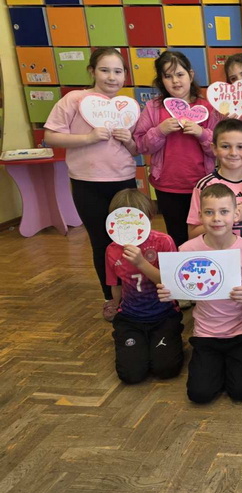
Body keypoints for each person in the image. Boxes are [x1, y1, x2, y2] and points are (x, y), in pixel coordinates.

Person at [44, 48, 139, 320]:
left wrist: (128, 140)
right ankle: (110, 298)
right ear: (92, 71)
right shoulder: (75, 100)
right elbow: (51, 136)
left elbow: (135, 150)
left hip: (123, 181)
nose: (111, 77)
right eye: (104, 70)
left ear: (125, 75)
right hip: (87, 183)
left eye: (117, 71)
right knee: (101, 243)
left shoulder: (128, 106)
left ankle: (134, 295)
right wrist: (88, 138)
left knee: (130, 242)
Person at [158, 184, 242, 403]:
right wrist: (170, 293)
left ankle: (231, 366)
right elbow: (182, 290)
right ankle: (217, 366)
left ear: (236, 214)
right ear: (200, 216)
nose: (217, 218)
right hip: (206, 333)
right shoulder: (186, 250)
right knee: (199, 394)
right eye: (209, 212)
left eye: (224, 211)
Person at [134, 50, 219, 247]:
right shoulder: (154, 108)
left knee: (203, 237)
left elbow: (216, 149)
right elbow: (140, 145)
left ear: (190, 75)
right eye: (168, 76)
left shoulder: (206, 108)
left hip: (201, 185)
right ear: (161, 80)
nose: (175, 81)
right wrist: (160, 131)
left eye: (180, 74)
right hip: (167, 185)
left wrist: (201, 133)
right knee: (177, 236)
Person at [105, 189, 183, 384]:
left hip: (164, 315)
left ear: (149, 217)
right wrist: (117, 307)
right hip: (131, 317)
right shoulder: (112, 250)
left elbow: (172, 283)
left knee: (166, 369)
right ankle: (137, 343)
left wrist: (141, 263)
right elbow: (116, 285)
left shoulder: (163, 242)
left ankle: (167, 340)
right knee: (131, 374)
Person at [187, 118, 242, 262]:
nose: (233, 153)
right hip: (219, 262)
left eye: (240, 147)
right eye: (226, 146)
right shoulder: (205, 185)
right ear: (214, 149)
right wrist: (231, 218)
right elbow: (192, 234)